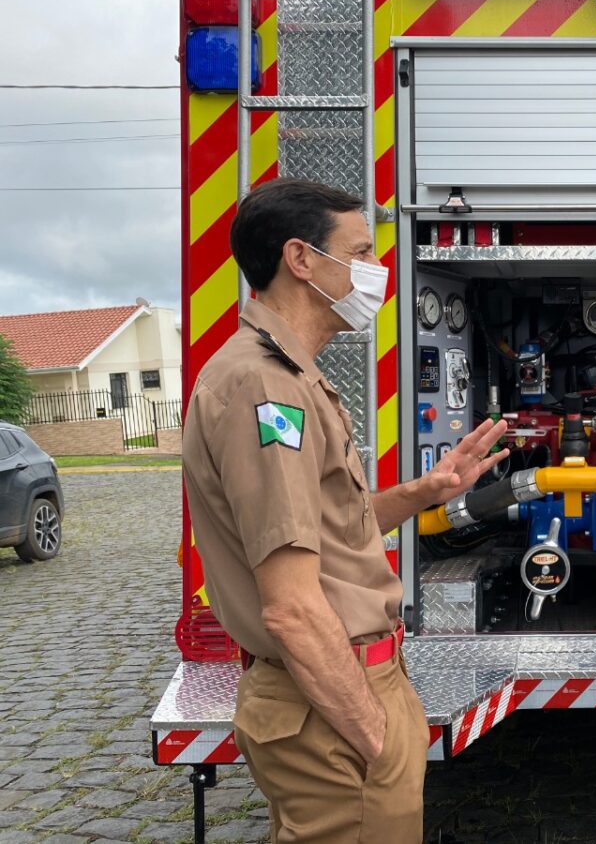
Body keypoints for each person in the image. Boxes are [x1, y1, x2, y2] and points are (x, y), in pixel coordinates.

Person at [182, 178, 508, 842]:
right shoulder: (265, 386)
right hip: (331, 705)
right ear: (301, 260)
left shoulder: (287, 374)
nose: (377, 271)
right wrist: (374, 734)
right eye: (361, 252)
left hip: (339, 694)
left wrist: (426, 491)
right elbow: (291, 606)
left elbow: (326, 531)